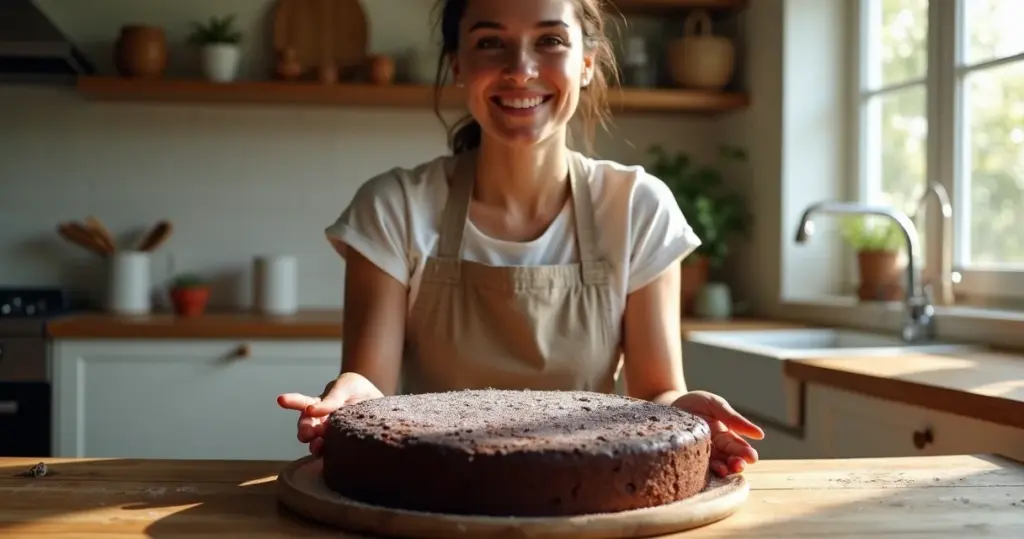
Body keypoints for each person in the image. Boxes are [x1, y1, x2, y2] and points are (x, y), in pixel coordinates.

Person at [278, 0, 764, 478]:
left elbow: (655, 395)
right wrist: (351, 399)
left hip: (589, 498)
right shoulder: (395, 206)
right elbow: (372, 393)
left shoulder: (637, 207)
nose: (520, 68)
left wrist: (683, 412)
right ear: (458, 67)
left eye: (550, 40)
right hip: (434, 495)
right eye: (490, 42)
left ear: (587, 64)